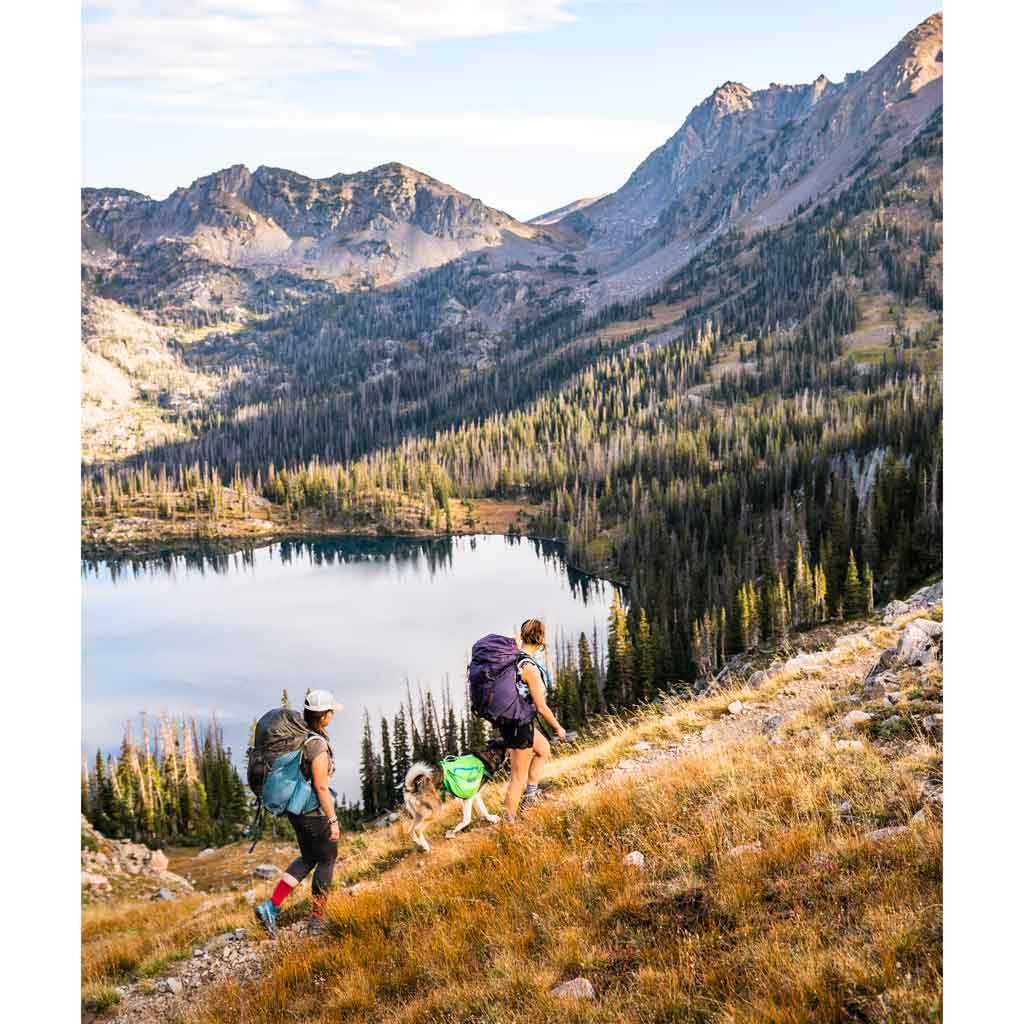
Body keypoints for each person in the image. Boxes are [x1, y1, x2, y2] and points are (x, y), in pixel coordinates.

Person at [254, 689, 342, 937]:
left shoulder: (301, 737)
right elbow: (321, 787)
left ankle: (271, 906)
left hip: (297, 812)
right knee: (327, 860)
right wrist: (333, 820)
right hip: (313, 813)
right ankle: (317, 919)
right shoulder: (317, 745)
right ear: (323, 716)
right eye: (331, 712)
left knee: (308, 858)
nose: (332, 715)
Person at [499, 618, 566, 822]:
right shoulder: (529, 668)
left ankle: (530, 798)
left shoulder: (513, 658)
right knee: (517, 778)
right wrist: (558, 728)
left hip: (513, 721)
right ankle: (507, 825)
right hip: (518, 726)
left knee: (543, 749)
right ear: (540, 638)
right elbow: (542, 707)